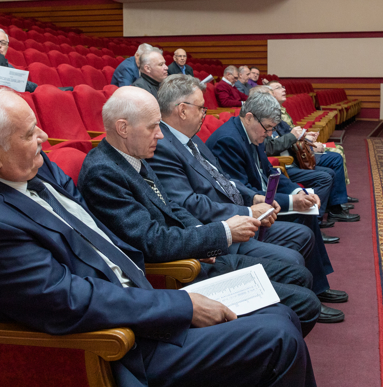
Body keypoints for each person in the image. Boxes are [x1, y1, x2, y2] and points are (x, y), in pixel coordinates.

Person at [0, 86, 315, 387]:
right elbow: (68, 300)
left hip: (142, 297)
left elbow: (99, 233)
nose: (43, 137)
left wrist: (189, 257)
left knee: (282, 314)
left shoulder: (31, 166)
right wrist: (181, 306)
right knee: (278, 337)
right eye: (28, 134)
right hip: (118, 344)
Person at [78, 87, 321, 335]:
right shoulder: (103, 172)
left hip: (199, 254)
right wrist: (223, 232)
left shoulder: (132, 155)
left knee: (299, 276)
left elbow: (171, 206)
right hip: (181, 274)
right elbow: (151, 241)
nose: (160, 134)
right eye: (152, 127)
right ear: (123, 128)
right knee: (304, 304)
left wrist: (203, 236)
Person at [148, 75, 346, 322]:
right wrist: (248, 213)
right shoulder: (164, 146)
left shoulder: (191, 139)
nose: (204, 114)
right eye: (201, 108)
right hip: (218, 229)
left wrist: (254, 198)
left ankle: (304, 302)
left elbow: (225, 180)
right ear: (182, 110)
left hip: (235, 215)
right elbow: (188, 204)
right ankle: (291, 312)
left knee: (302, 236)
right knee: (295, 258)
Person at [257, 84, 358, 223]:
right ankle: (316, 219)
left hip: (294, 157)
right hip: (284, 163)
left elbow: (291, 134)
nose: (273, 100)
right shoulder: (261, 123)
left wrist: (306, 139)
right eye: (269, 97)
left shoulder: (274, 118)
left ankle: (333, 207)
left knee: (332, 165)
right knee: (326, 175)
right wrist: (296, 137)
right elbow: (270, 147)